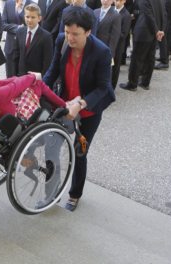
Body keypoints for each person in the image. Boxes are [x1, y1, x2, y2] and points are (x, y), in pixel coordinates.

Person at [43, 7, 115, 211]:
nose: (70, 38)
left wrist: (81, 103)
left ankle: (74, 194)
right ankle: (51, 192)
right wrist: (40, 89)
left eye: (75, 34)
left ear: (88, 32)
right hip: (64, 106)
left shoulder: (102, 51)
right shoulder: (61, 41)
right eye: (67, 31)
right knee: (51, 147)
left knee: (79, 152)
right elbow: (52, 70)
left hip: (89, 110)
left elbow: (104, 88)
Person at [119, 0, 166, 91]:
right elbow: (164, 14)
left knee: (136, 58)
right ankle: (145, 82)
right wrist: (161, 30)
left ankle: (132, 84)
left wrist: (157, 31)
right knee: (150, 58)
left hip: (144, 32)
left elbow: (148, 15)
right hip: (153, 33)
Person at [13, 3, 54, 76]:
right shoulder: (20, 32)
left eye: (33, 17)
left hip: (36, 78)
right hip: (20, 76)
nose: (29, 20)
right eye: (27, 17)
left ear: (39, 18)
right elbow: (16, 56)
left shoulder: (46, 36)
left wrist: (42, 79)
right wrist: (15, 75)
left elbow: (47, 62)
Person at [2, 0, 33, 77]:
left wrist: (24, 29)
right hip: (10, 47)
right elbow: (2, 24)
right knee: (10, 78)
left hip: (26, 47)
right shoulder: (8, 3)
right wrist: (18, 28)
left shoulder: (32, 4)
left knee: (23, 79)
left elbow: (35, 26)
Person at [111, 0, 131, 89]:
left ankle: (112, 86)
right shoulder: (111, 10)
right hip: (109, 43)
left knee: (115, 66)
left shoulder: (126, 15)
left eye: (119, 1)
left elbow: (124, 33)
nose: (117, 2)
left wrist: (111, 34)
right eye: (115, 0)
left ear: (124, 1)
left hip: (118, 45)